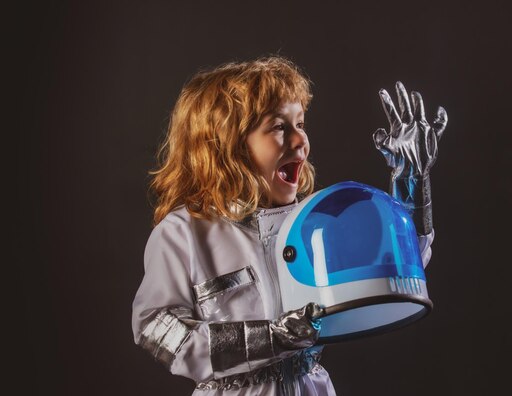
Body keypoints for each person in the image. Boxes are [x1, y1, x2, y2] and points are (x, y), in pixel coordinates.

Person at [131, 56, 447, 395]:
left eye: (301, 124)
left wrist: (412, 182)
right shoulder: (184, 234)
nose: (300, 142)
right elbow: (157, 330)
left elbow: (394, 271)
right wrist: (272, 337)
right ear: (226, 144)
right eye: (280, 127)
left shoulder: (312, 221)